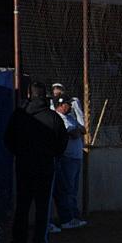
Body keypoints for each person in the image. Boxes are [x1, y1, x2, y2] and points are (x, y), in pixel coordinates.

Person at [4, 81, 68, 243]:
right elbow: (62, 141)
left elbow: (8, 139)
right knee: (42, 206)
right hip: (45, 165)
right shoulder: (52, 117)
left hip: (24, 165)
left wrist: (20, 153)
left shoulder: (19, 115)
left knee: (22, 204)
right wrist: (52, 154)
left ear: (29, 94)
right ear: (45, 95)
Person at [51, 94, 88, 232]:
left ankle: (73, 217)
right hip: (66, 158)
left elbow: (82, 130)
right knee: (67, 190)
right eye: (67, 104)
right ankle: (67, 218)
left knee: (73, 190)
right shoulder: (58, 118)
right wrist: (76, 131)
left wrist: (76, 130)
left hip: (76, 158)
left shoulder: (70, 117)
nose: (70, 106)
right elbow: (73, 134)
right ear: (60, 105)